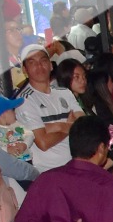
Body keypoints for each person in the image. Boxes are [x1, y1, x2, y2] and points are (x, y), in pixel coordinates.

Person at [14, 43, 83, 172]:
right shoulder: (24, 100)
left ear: (51, 65)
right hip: (49, 171)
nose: (39, 66)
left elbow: (82, 125)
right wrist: (67, 126)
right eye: (32, 62)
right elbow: (43, 143)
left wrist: (53, 127)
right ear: (24, 70)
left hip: (77, 165)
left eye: (43, 61)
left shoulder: (64, 92)